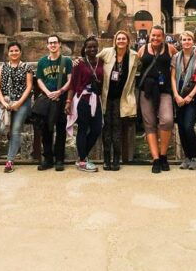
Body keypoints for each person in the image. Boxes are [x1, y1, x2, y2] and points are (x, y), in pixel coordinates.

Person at [136, 25, 177, 174]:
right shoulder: (142, 49)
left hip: (164, 90)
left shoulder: (170, 48)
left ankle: (163, 154)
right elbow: (132, 64)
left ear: (163, 36)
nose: (155, 38)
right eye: (153, 35)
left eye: (158, 36)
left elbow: (181, 61)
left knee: (167, 120)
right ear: (149, 35)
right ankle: (156, 159)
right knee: (150, 123)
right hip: (146, 91)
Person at [97, 30, 140, 171]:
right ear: (115, 40)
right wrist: (78, 61)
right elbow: (91, 60)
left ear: (128, 41)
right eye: (118, 39)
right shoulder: (106, 52)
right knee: (106, 127)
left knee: (117, 127)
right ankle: (106, 158)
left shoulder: (134, 55)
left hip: (121, 97)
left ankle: (116, 158)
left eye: (123, 39)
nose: (121, 41)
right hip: (107, 96)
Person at [66, 36, 104, 172]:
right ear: (85, 49)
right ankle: (83, 160)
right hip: (83, 100)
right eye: (89, 47)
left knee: (96, 129)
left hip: (96, 100)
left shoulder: (101, 62)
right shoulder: (79, 64)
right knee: (83, 129)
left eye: (94, 46)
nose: (92, 49)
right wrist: (68, 102)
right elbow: (73, 84)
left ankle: (82, 156)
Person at [0, 42, 33, 173]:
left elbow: (29, 87)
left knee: (16, 129)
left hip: (22, 102)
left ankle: (10, 161)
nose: (14, 53)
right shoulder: (2, 67)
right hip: (6, 101)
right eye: (11, 51)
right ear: (8, 53)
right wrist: (4, 103)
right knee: (2, 128)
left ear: (20, 52)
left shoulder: (26, 67)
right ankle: (12, 153)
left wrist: (19, 103)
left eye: (16, 50)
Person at [35, 34, 73, 171]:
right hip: (47, 99)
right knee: (46, 130)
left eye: (55, 42)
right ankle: (48, 159)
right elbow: (39, 79)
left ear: (59, 44)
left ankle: (59, 159)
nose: (53, 45)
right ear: (47, 45)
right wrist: (47, 92)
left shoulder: (66, 61)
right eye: (50, 43)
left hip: (61, 98)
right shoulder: (42, 62)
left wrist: (60, 91)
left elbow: (70, 79)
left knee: (61, 129)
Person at [171, 30, 196, 170]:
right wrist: (176, 95)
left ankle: (194, 157)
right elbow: (172, 77)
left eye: (189, 39)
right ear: (180, 42)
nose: (186, 42)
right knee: (181, 129)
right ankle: (187, 157)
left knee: (188, 127)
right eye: (184, 40)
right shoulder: (176, 57)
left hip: (192, 97)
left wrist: (190, 96)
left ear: (193, 41)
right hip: (179, 95)